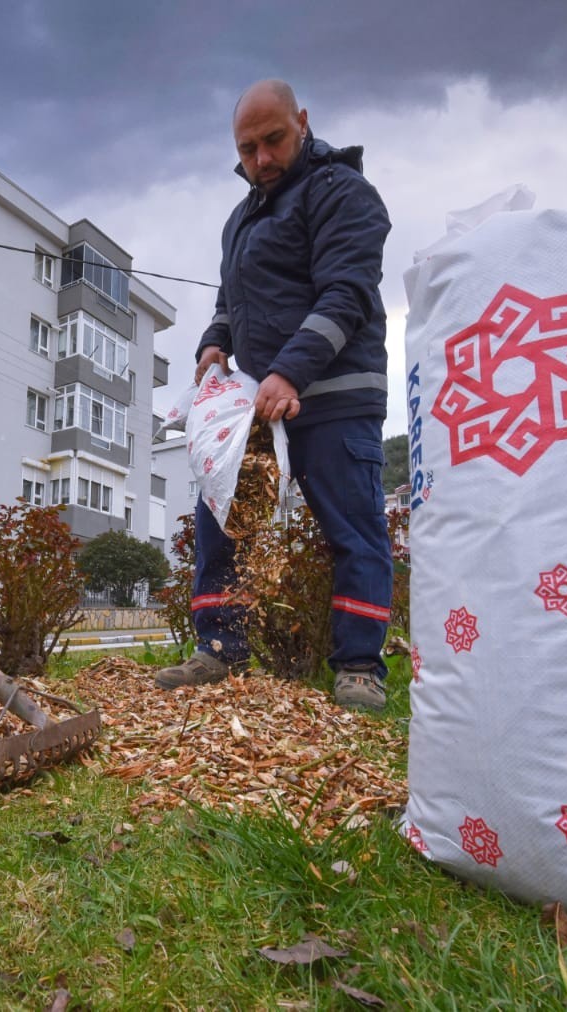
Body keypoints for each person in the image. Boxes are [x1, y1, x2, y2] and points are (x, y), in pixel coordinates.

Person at [154, 80, 395, 712]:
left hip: (336, 394)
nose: (261, 158)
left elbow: (347, 292)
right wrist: (213, 343)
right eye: (248, 146)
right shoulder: (241, 219)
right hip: (255, 407)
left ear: (304, 122)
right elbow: (231, 301)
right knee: (222, 521)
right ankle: (220, 650)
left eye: (274, 140)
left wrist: (290, 371)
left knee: (353, 527)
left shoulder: (343, 193)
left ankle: (359, 666)